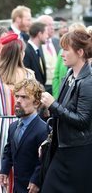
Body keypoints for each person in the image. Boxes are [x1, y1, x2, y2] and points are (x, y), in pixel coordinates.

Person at [40, 29, 92, 193]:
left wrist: (54, 105)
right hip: (63, 148)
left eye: (66, 49)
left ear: (80, 52)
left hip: (77, 152)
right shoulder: (70, 74)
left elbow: (83, 121)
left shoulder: (87, 82)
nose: (61, 54)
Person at [0, 32, 35, 193]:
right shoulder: (29, 75)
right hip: (24, 126)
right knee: (21, 170)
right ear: (20, 53)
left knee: (0, 170)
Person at [0, 78, 48, 193]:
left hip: (32, 187)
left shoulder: (43, 129)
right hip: (17, 186)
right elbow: (8, 151)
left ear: (36, 102)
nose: (18, 100)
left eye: (24, 97)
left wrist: (36, 180)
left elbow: (44, 160)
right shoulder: (13, 127)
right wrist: (4, 170)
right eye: (17, 96)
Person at [37, 15, 60, 94]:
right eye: (49, 25)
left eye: (52, 24)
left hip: (57, 84)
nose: (52, 27)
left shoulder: (58, 42)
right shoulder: (36, 44)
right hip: (42, 86)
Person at [23, 21, 49, 86]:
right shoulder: (26, 51)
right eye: (46, 33)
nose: (47, 36)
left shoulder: (37, 50)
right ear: (40, 34)